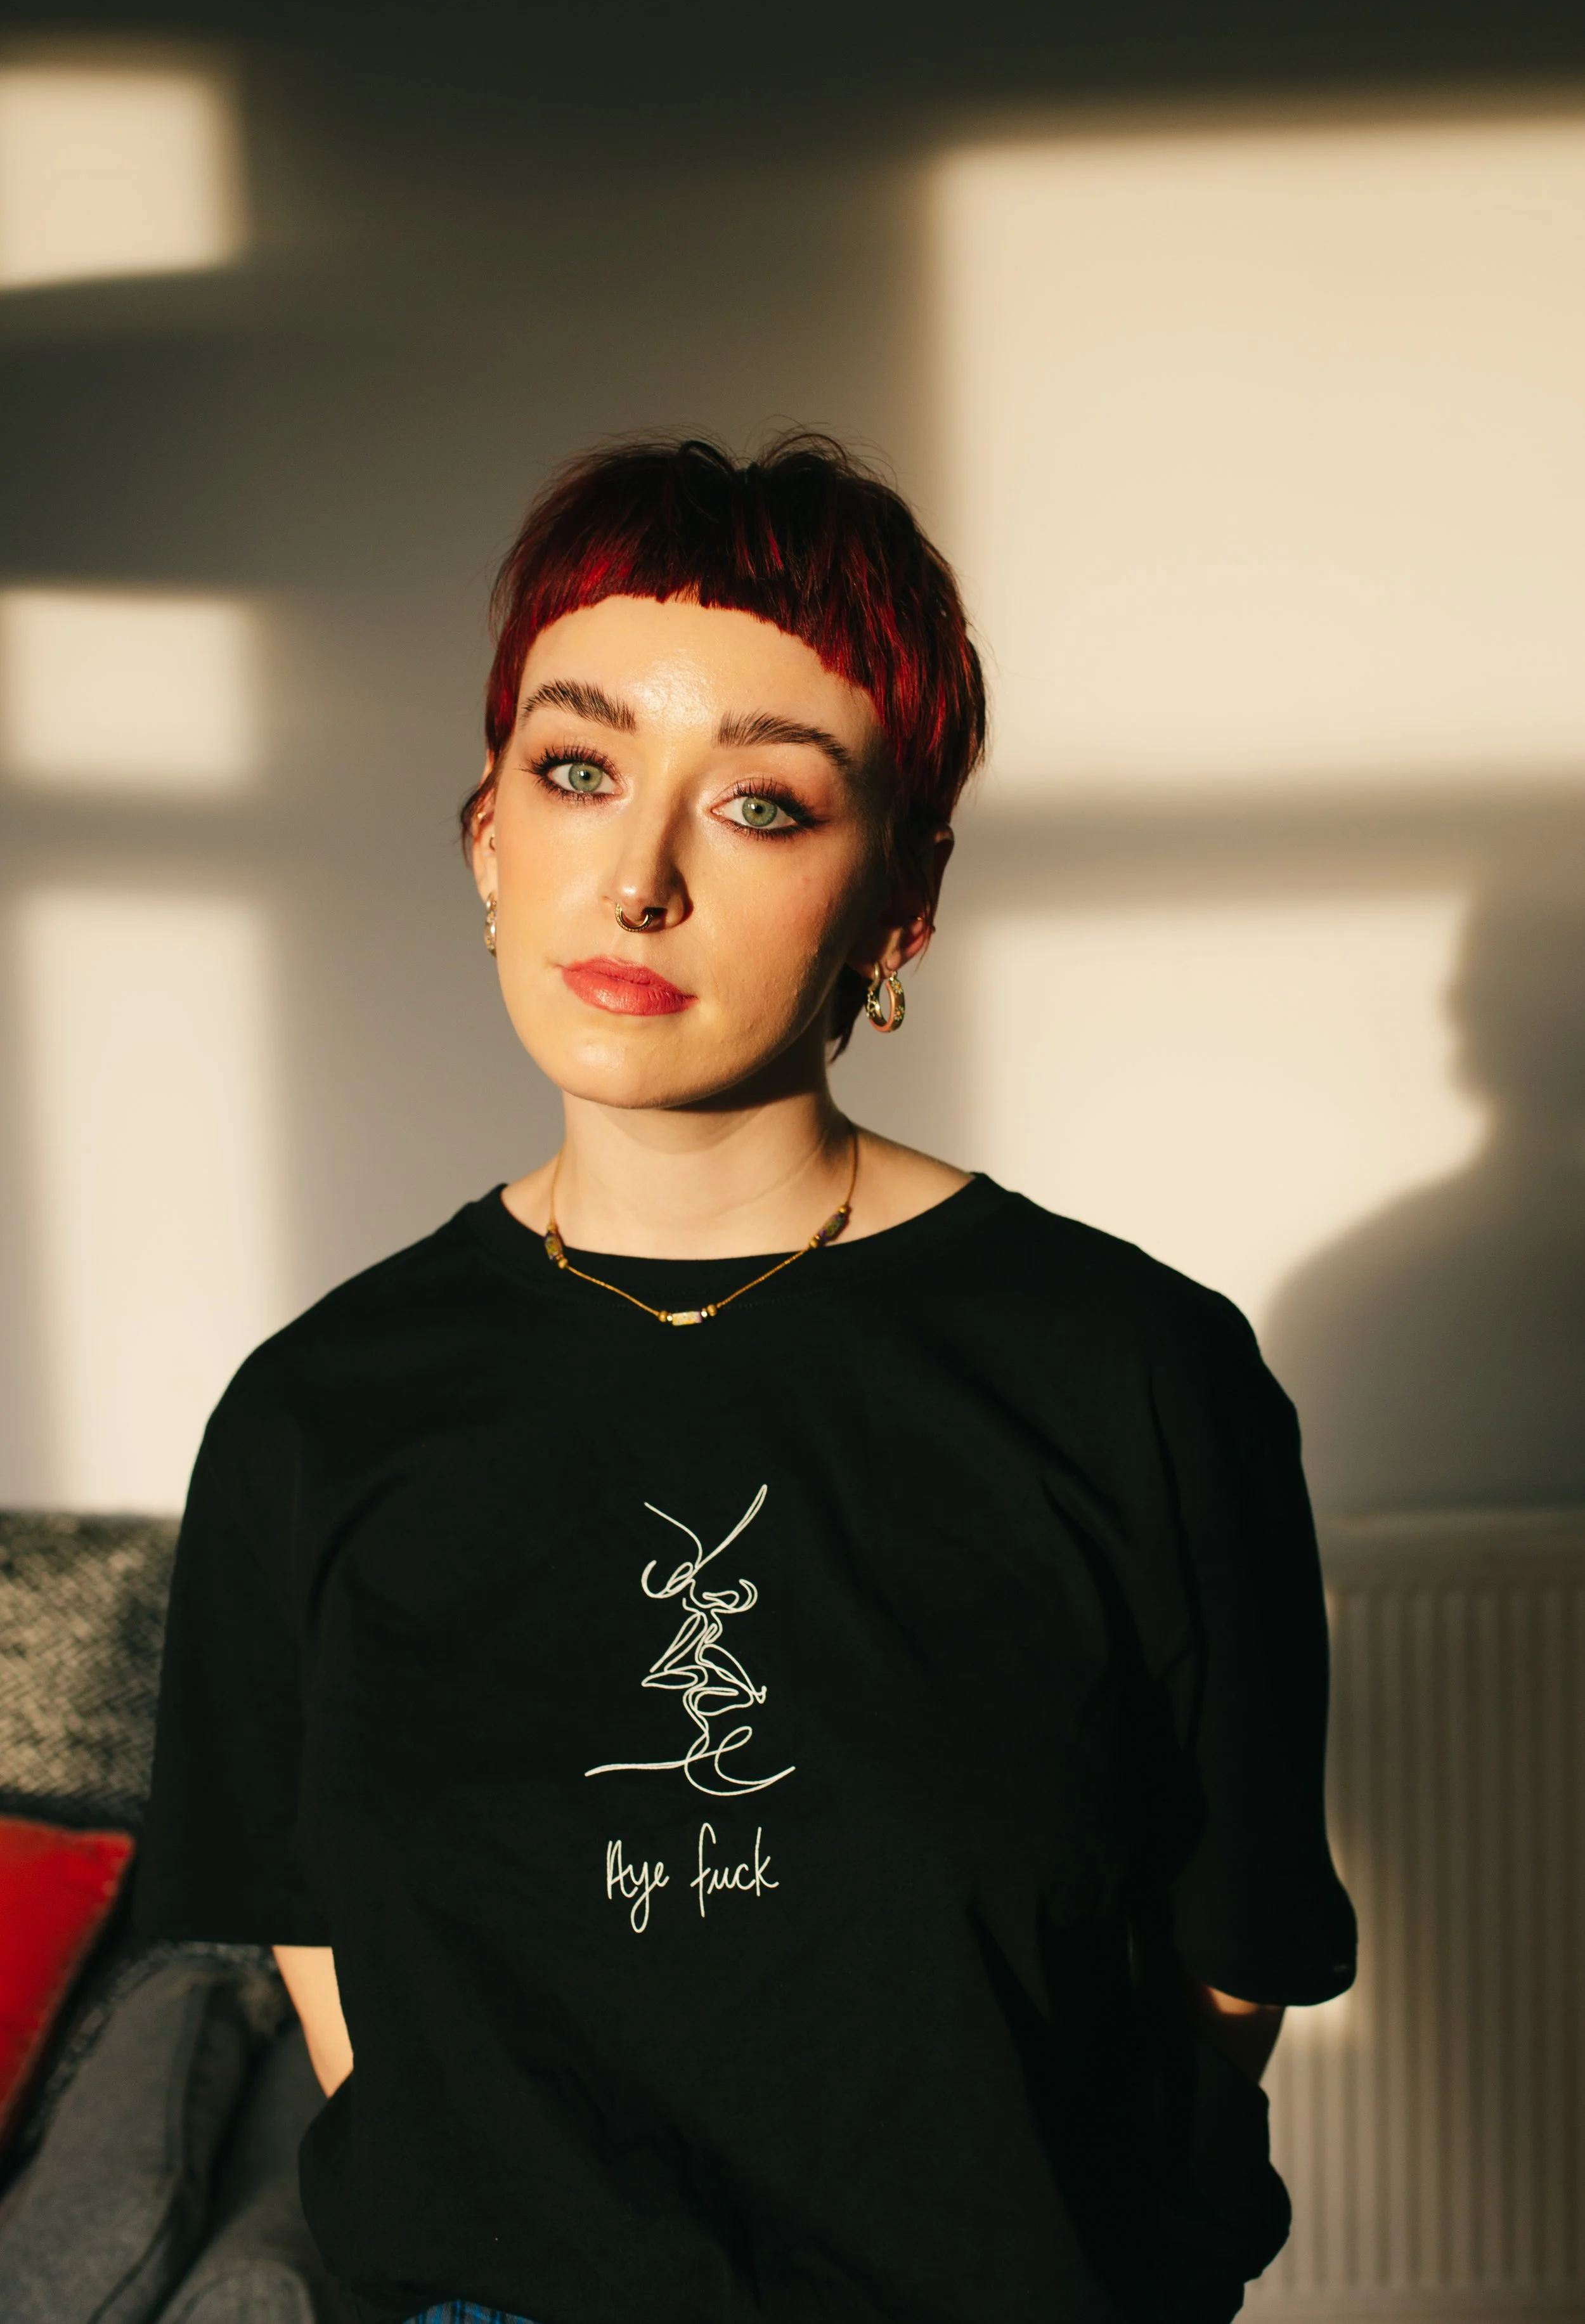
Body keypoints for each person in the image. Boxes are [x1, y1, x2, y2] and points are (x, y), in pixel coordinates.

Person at [135, 434, 1355, 2324]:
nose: (637, 879)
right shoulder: (320, 1412)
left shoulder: (1138, 1376)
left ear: (903, 900)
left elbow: (1232, 1949)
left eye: (764, 805)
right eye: (577, 770)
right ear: (485, 837)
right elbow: (325, 1941)